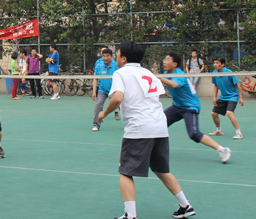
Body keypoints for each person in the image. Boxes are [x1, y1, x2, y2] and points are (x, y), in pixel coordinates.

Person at [98, 41, 196, 219]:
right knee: (162, 170)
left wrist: (103, 112)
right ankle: (185, 205)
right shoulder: (148, 72)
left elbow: (117, 98)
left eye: (118, 53)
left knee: (125, 172)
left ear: (124, 58)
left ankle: (131, 215)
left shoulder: (120, 73)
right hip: (159, 126)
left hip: (139, 128)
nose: (116, 56)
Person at [157, 52, 231, 163]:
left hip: (190, 107)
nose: (164, 62)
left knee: (194, 134)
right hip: (177, 106)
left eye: (167, 60)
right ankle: (156, 150)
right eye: (164, 59)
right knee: (158, 124)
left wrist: (159, 77)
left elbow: (174, 85)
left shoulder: (180, 75)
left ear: (175, 64)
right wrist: (156, 75)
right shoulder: (166, 74)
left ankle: (222, 150)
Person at [209, 57, 244, 140]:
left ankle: (239, 133)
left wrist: (241, 97)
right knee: (214, 113)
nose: (215, 64)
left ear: (223, 64)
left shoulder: (229, 72)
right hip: (222, 96)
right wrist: (215, 98)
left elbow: (237, 84)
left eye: (217, 63)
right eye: (214, 63)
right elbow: (215, 85)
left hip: (232, 96)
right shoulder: (214, 73)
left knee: (229, 113)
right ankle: (219, 130)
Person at [91, 48, 120, 131]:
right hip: (102, 90)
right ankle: (96, 125)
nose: (105, 58)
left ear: (111, 57)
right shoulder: (99, 66)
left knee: (122, 105)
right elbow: (95, 79)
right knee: (98, 105)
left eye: (107, 56)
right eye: (103, 56)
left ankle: (129, 124)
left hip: (114, 90)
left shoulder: (116, 65)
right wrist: (94, 92)